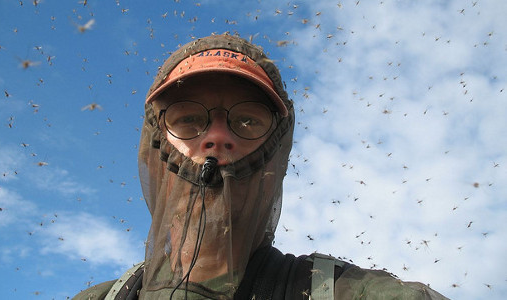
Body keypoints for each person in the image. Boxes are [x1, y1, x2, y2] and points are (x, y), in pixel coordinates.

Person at [73, 34, 448, 300]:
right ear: (155, 142)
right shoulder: (99, 298)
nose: (217, 138)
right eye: (188, 119)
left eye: (247, 121)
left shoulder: (350, 293)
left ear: (275, 149)